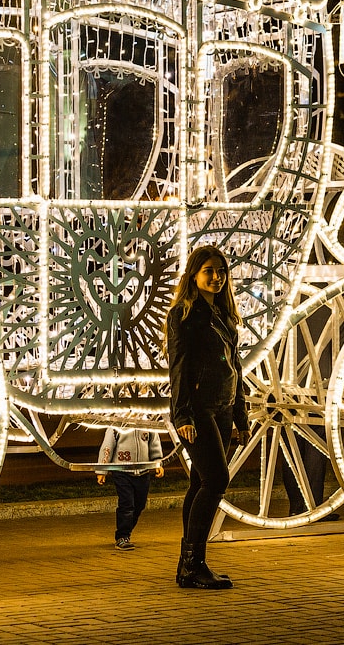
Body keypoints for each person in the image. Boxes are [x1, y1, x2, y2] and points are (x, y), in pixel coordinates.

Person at [167, 244, 249, 589]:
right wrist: (182, 413)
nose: (216, 277)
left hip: (223, 406)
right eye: (208, 271)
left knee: (201, 482)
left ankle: (189, 566)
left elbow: (236, 368)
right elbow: (179, 368)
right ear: (194, 275)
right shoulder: (185, 314)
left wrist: (241, 416)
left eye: (221, 271)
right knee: (216, 480)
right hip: (198, 410)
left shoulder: (226, 314)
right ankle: (193, 564)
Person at [96, 426, 165, 551]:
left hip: (143, 473)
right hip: (121, 472)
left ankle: (126, 530)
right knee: (127, 504)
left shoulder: (147, 424)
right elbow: (107, 448)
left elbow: (154, 444)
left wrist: (157, 462)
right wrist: (102, 471)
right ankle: (122, 536)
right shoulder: (115, 427)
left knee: (139, 505)